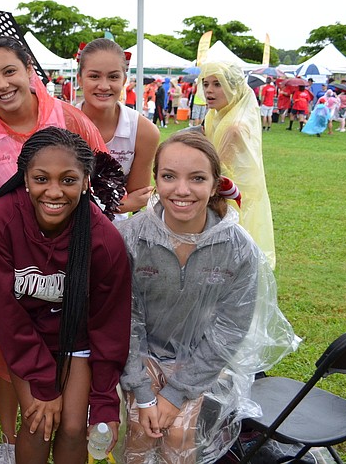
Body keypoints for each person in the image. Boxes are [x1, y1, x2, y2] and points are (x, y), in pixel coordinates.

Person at [0, 36, 106, 462]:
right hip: (13, 276)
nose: (2, 85)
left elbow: (102, 182)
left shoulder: (69, 120)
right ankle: (8, 441)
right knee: (14, 362)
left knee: (70, 397)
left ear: (29, 71)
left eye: (9, 71)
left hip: (73, 271)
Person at [118, 131, 296, 464]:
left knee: (179, 434)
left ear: (215, 185)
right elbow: (122, 319)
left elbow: (229, 330)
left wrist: (175, 393)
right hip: (134, 360)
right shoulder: (131, 238)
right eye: (169, 176)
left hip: (203, 364)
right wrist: (142, 391)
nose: (182, 190)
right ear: (155, 180)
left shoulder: (237, 249)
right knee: (141, 428)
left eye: (197, 178)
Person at [0, 127, 131, 464]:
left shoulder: (104, 241)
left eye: (68, 180)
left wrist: (104, 402)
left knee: (73, 428)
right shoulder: (1, 219)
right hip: (26, 336)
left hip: (75, 339)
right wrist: (45, 386)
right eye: (41, 179)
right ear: (25, 178)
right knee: (40, 422)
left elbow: (110, 326)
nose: (54, 191)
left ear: (86, 182)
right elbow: (5, 311)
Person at [201, 62, 276, 269]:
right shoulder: (215, 116)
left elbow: (217, 169)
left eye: (217, 84)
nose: (209, 90)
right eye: (206, 84)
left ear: (233, 87)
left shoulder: (234, 127)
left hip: (227, 199)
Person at [75, 38, 160, 216]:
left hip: (116, 228)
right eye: (94, 76)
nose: (104, 86)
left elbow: (138, 197)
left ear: (124, 80)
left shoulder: (144, 132)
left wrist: (128, 203)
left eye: (113, 76)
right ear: (80, 79)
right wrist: (123, 204)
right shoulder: (60, 122)